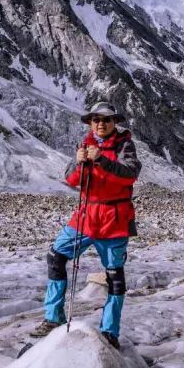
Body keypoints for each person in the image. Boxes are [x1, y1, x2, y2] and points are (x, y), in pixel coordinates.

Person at [29, 101, 142, 350]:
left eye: (106, 120)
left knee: (114, 276)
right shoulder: (84, 145)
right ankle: (53, 317)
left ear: (115, 122)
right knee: (56, 256)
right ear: (91, 123)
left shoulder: (124, 145)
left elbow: (130, 174)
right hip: (86, 215)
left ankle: (110, 331)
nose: (100, 124)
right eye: (96, 120)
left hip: (114, 218)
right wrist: (80, 163)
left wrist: (101, 160)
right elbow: (70, 179)